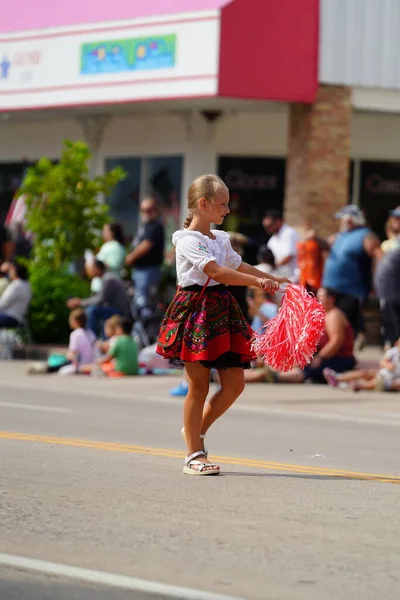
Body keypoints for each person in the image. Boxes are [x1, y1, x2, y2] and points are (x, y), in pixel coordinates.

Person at [156, 174, 289, 476]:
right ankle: (193, 453)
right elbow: (217, 272)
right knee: (198, 386)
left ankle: (194, 432)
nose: (227, 210)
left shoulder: (220, 239)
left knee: (235, 384)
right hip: (195, 311)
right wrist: (259, 282)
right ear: (203, 205)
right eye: (223, 204)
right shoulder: (188, 240)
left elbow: (235, 265)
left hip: (221, 309)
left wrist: (273, 278)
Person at [245, 287, 356, 384]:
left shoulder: (334, 315)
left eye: (322, 297)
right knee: (294, 363)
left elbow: (336, 340)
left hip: (339, 359)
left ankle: (269, 376)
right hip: (324, 356)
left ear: (331, 299)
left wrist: (320, 358)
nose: (318, 300)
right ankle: (267, 373)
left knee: (305, 370)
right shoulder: (323, 315)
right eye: (318, 297)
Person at [322, 205, 381, 346]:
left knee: (347, 321)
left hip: (352, 289)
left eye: (342, 220)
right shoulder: (339, 236)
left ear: (350, 220)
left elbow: (378, 257)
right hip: (331, 287)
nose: (340, 223)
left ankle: (348, 350)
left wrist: (377, 282)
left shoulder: (366, 235)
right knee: (330, 320)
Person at [67, 260, 131, 337]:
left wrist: (80, 302)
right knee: (93, 310)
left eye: (90, 268)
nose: (88, 270)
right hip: (116, 309)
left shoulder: (108, 279)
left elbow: (100, 299)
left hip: (120, 311)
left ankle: (91, 338)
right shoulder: (107, 278)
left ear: (97, 268)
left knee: (92, 310)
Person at [126, 198, 165, 315]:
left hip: (148, 271)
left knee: (145, 305)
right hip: (140, 271)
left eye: (149, 209)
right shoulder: (145, 226)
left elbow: (146, 245)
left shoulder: (155, 226)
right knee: (138, 304)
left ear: (155, 210)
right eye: (143, 210)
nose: (146, 213)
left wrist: (130, 257)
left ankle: (146, 332)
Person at [27, 309, 97, 375]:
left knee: (60, 366)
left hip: (79, 365)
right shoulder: (91, 333)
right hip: (91, 363)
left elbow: (72, 354)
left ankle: (44, 368)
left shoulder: (75, 334)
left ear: (76, 321)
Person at [324, 338, 400, 392]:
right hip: (385, 373)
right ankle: (338, 378)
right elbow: (382, 362)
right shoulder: (393, 352)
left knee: (377, 382)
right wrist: (388, 365)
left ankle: (358, 385)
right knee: (363, 373)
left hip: (392, 380)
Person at [374, 245, 400, 349]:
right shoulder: (394, 255)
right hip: (389, 296)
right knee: (392, 327)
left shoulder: (393, 255)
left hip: (389, 295)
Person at [263, 210, 300, 281]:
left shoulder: (289, 233)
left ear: (278, 221)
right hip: (279, 276)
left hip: (293, 277)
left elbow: (288, 256)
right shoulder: (272, 240)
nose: (268, 229)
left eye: (269, 225)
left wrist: (273, 266)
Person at [0, 261, 31, 328]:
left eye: (11, 271)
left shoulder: (16, 285)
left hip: (9, 316)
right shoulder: (27, 285)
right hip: (19, 317)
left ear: (16, 272)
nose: (9, 273)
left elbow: (3, 303)